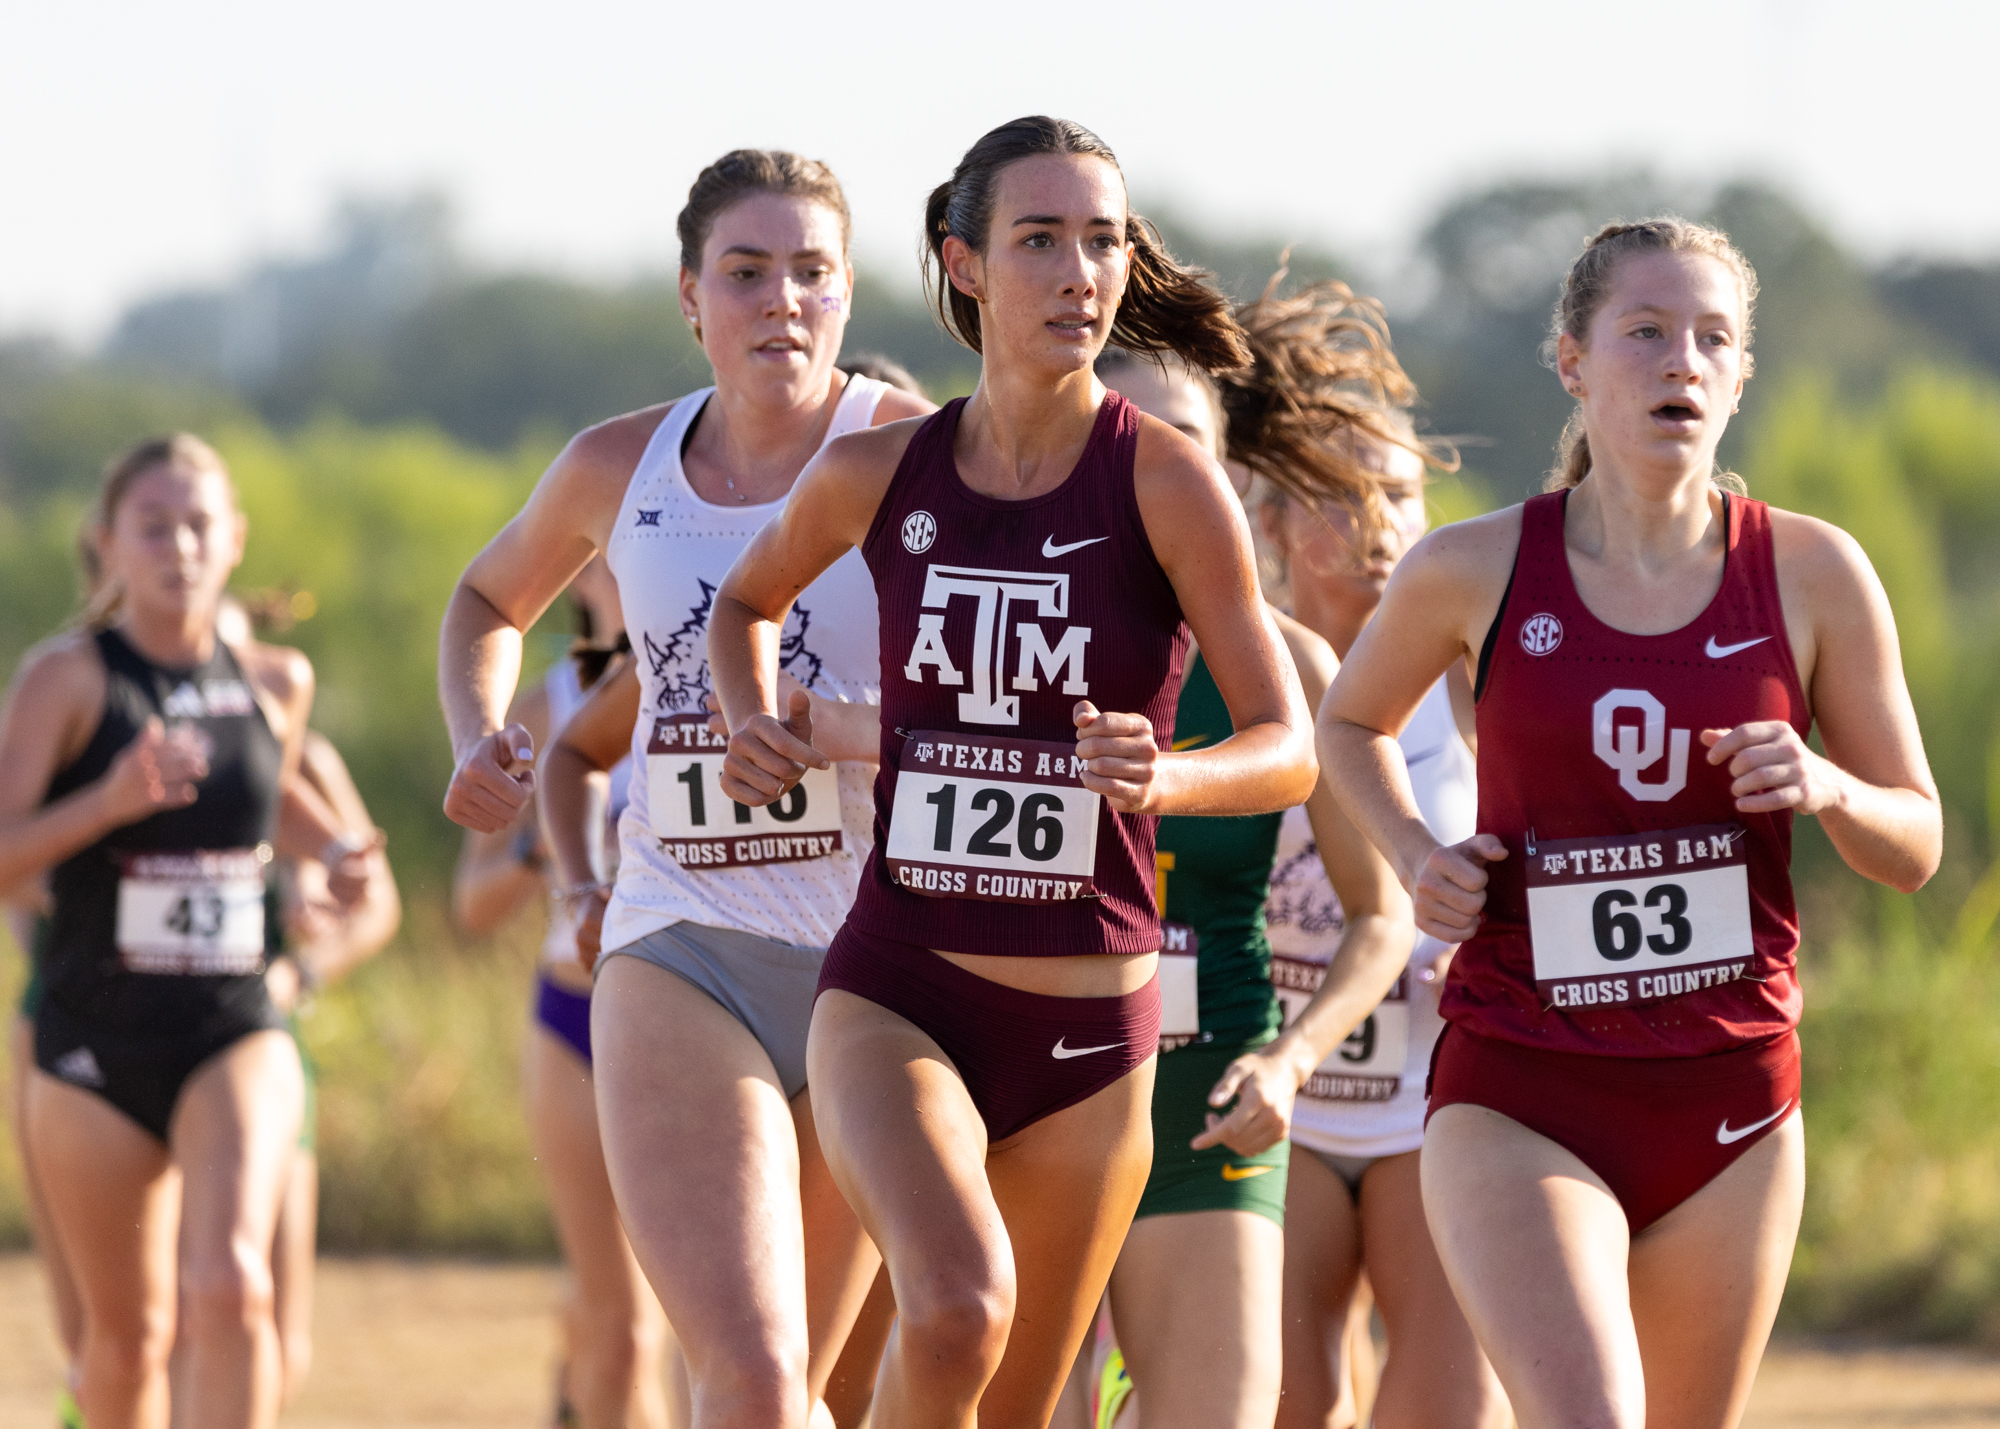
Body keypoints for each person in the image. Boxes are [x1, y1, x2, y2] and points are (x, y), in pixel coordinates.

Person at [707, 116, 1316, 1428]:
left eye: (1104, 242)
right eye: (1040, 239)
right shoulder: (879, 471)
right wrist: (753, 718)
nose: (1079, 272)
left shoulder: (1169, 483)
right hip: (899, 995)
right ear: (966, 264)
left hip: (1096, 1031)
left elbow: (1288, 746)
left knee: (1019, 1407)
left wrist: (1170, 781)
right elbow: (741, 606)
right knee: (955, 1302)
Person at [1319, 218, 1942, 1429]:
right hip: (1522, 1086)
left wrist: (1825, 785)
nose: (1681, 364)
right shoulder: (1473, 567)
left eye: (1712, 339)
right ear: (1572, 360)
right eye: (1644, 333)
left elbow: (1912, 841)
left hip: (1732, 1101)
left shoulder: (1813, 575)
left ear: (1741, 374)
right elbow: (1348, 725)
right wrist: (1413, 857)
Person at [439, 149, 932, 1429]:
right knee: (756, 1382)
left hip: (876, 965)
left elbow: (991, 705)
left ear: (846, 293)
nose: (781, 301)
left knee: (818, 1385)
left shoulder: (912, 454)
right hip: (680, 944)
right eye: (746, 271)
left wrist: (834, 730)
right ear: (689, 297)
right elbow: (488, 597)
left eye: (811, 273)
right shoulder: (619, 464)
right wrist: (481, 733)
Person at [1080, 305, 1422, 1429]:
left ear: (1223, 470)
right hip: (1029, 1097)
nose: (1161, 463)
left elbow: (1378, 916)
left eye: (1188, 437)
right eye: (1131, 430)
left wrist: (1289, 1061)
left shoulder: (1293, 667)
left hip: (1208, 1096)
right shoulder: (1012, 628)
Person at [0, 433, 365, 1428]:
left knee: (232, 1284)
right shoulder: (66, 680)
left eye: (200, 523)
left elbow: (266, 796)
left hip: (232, 1022)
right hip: (93, 1038)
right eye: (153, 525)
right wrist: (109, 803)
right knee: (124, 1346)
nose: (180, 546)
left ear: (236, 538)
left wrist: (335, 853)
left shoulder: (276, 681)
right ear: (108, 542)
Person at [1252, 399, 1506, 1428]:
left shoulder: (1475, 679)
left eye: (1396, 492)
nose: (1375, 520)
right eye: (1337, 495)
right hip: (1278, 1103)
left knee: (1449, 1409)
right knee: (1286, 1405)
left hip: (1436, 1100)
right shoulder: (1235, 674)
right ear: (1266, 524)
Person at [453, 556, 688, 1429]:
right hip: (575, 1019)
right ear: (584, 570)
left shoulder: (733, 670)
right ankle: (586, 1366)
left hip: (706, 1019)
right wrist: (535, 851)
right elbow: (470, 906)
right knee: (623, 1325)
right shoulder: (549, 702)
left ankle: (578, 1369)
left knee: (695, 1326)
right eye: (616, 555)